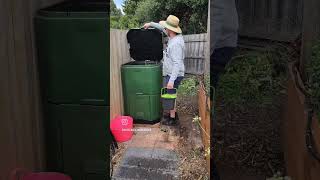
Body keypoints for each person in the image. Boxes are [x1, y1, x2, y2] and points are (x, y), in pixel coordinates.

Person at [210, 0, 239, 180]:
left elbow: (216, 16)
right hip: (225, 42)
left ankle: (209, 164)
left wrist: (207, 54)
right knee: (209, 96)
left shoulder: (217, 7)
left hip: (220, 46)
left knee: (206, 99)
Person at [143, 15, 185, 126]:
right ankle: (173, 115)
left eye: (166, 27)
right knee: (170, 96)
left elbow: (177, 64)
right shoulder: (173, 36)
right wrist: (151, 24)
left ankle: (172, 119)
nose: (164, 29)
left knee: (170, 96)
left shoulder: (176, 44)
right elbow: (161, 28)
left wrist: (171, 81)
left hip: (173, 74)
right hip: (171, 73)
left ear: (170, 30)